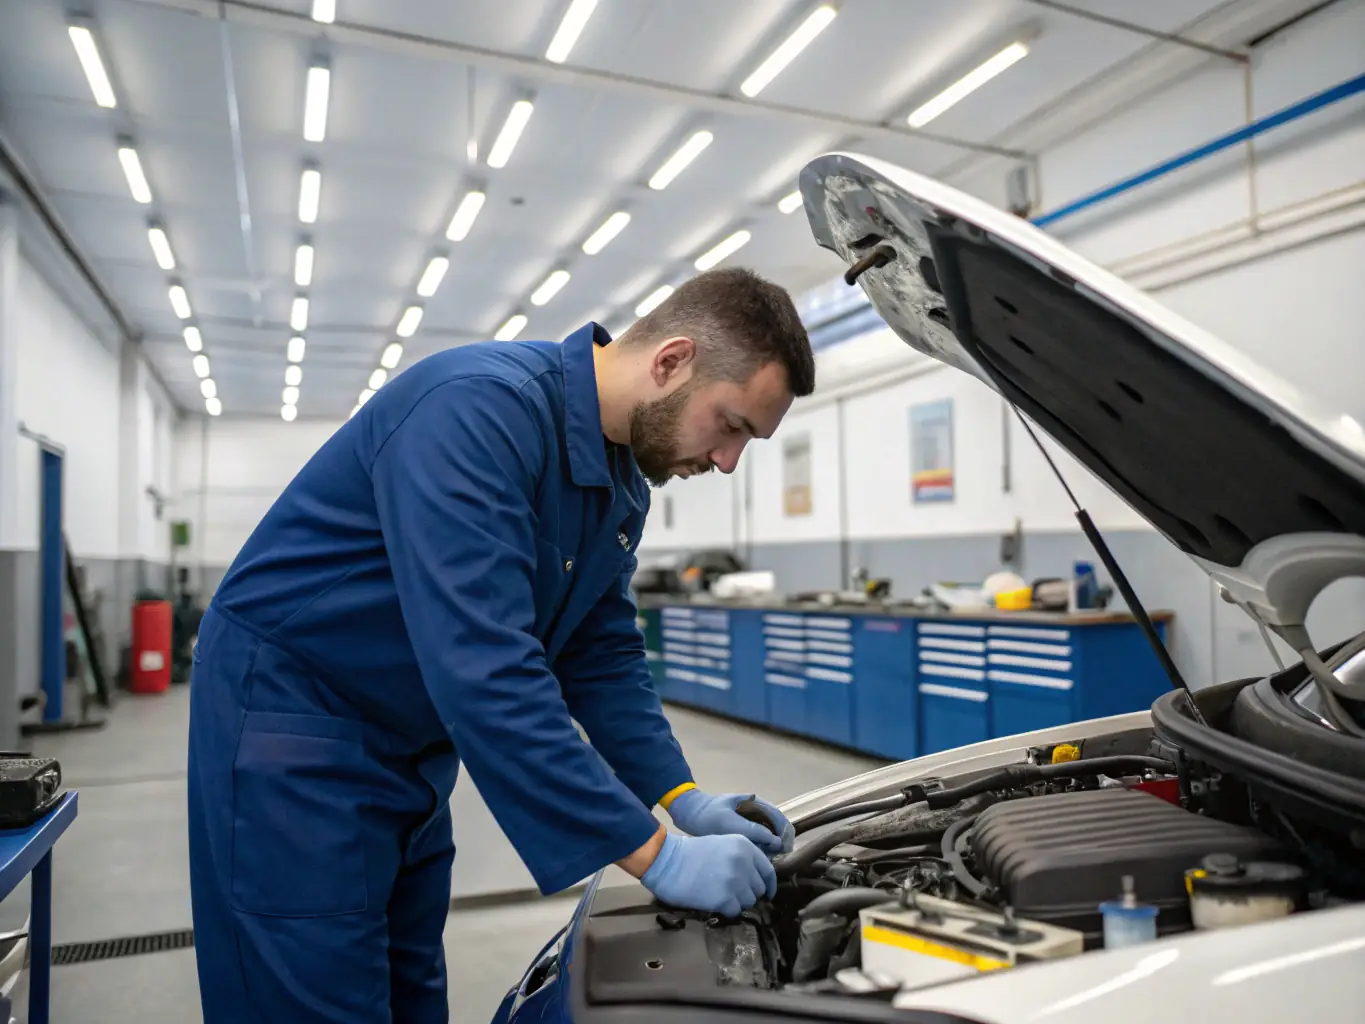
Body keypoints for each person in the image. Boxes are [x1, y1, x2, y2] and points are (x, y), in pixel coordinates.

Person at [186, 266, 817, 1022]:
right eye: (732, 426)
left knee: (407, 988)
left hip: (408, 750)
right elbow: (486, 669)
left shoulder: (620, 479)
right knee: (313, 994)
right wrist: (655, 854)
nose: (726, 462)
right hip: (293, 736)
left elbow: (601, 652)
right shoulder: (475, 410)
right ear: (671, 361)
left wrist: (683, 798)